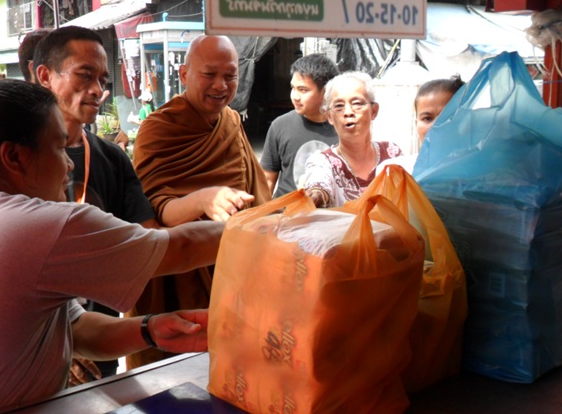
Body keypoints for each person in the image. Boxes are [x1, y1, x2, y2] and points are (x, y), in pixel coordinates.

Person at [0, 79, 225, 413]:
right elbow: (179, 249)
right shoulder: (33, 225)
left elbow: (78, 331)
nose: (69, 164)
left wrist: (149, 329)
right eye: (58, 147)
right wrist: (266, 226)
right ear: (14, 157)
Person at [130, 34, 272, 366]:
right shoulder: (158, 129)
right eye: (209, 74)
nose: (221, 85)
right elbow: (155, 211)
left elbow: (257, 199)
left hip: (231, 270)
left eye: (230, 75)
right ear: (183, 74)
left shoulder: (232, 122)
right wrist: (203, 200)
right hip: (178, 275)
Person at [32, 26, 158, 378]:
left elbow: (146, 242)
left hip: (98, 348)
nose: (98, 91)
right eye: (84, 75)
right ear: (45, 75)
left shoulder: (112, 159)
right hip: (32, 353)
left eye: (102, 79)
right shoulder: (17, 160)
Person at [303, 72, 403, 208]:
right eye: (339, 106)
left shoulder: (392, 154)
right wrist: (317, 194)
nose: (348, 112)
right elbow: (318, 184)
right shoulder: (323, 162)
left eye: (357, 103)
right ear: (329, 117)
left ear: (374, 111)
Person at [261, 53, 339, 198]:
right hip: (285, 216)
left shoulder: (343, 130)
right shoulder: (280, 126)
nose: (295, 96)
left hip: (331, 217)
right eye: (293, 88)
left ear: (326, 92)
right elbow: (267, 180)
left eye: (303, 90)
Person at [380, 76, 464, 173]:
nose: (435, 126)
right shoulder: (395, 171)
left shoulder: (477, 172)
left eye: (447, 117)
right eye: (427, 118)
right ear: (416, 124)